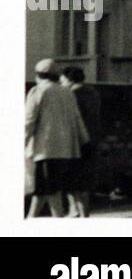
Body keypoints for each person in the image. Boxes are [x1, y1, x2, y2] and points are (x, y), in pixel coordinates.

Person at [25, 58, 88, 218]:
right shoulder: (67, 92)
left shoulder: (38, 91)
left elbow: (29, 121)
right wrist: (83, 141)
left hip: (46, 150)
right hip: (67, 151)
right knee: (43, 191)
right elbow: (77, 119)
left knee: (51, 190)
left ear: (39, 75)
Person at [60, 66, 101, 218]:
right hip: (92, 138)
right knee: (85, 178)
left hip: (76, 140)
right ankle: (80, 211)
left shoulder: (71, 94)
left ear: (69, 79)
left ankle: (78, 211)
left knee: (74, 179)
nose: (61, 82)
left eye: (62, 79)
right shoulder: (93, 93)